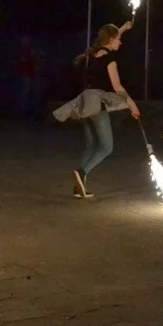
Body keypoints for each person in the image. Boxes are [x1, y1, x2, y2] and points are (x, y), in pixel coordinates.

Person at [52, 22, 140, 199]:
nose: (121, 43)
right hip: (96, 105)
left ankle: (79, 188)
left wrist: (122, 29)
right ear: (112, 39)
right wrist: (132, 105)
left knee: (92, 145)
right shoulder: (110, 60)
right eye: (119, 40)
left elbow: (107, 39)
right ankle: (82, 172)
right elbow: (118, 87)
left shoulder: (92, 54)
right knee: (107, 147)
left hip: (84, 104)